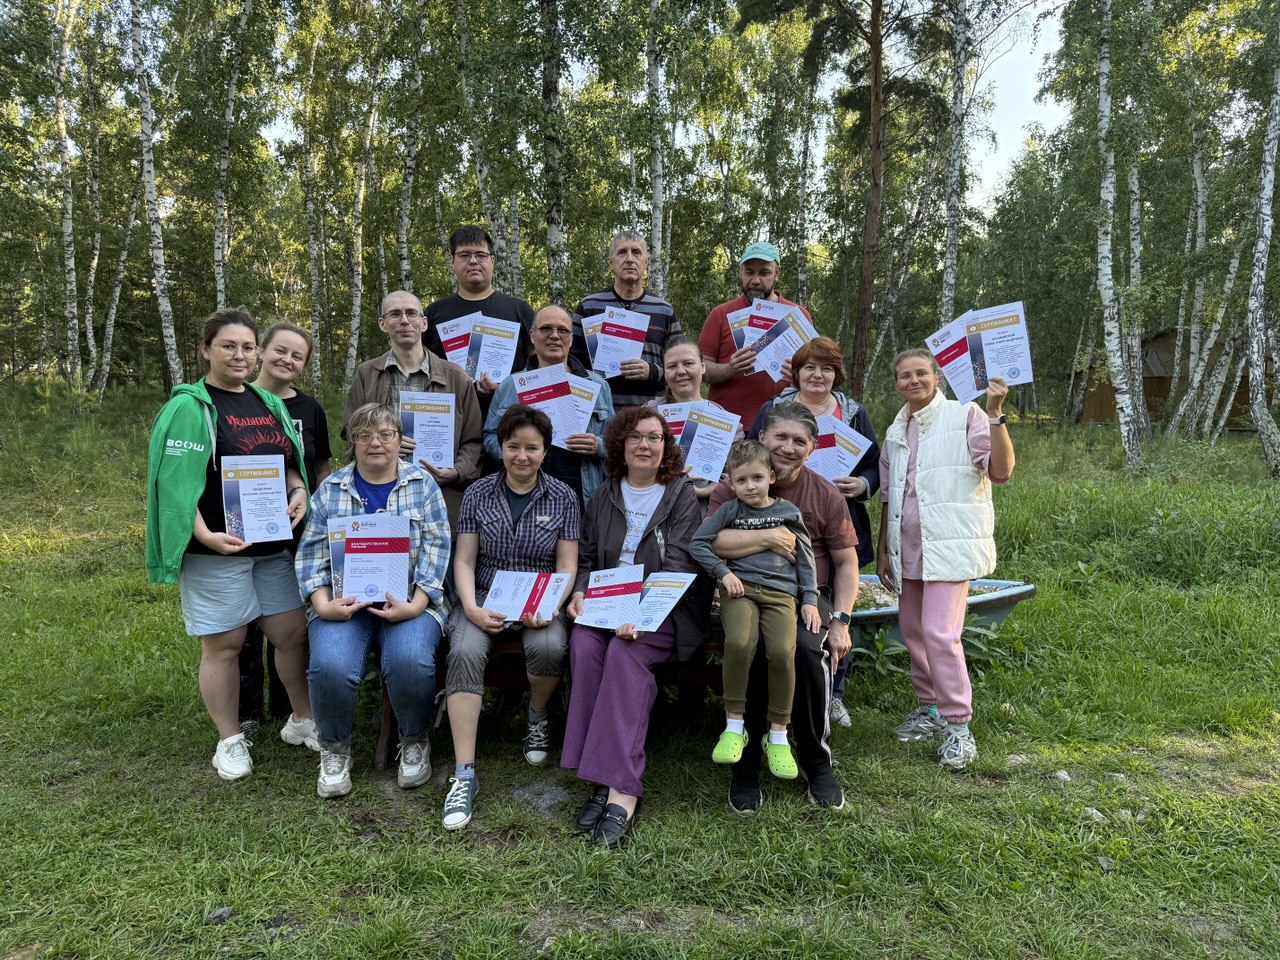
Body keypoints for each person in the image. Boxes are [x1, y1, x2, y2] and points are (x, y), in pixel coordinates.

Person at [145, 308, 317, 781]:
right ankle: (229, 740)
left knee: (291, 633)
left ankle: (302, 720)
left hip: (270, 546)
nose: (239, 355)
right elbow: (174, 483)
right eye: (228, 346)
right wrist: (204, 535)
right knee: (225, 644)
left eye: (247, 347)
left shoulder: (267, 402)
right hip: (216, 549)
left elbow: (288, 461)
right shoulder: (189, 407)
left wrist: (298, 491)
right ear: (206, 349)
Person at [705, 402, 858, 812]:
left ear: (812, 449)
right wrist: (769, 537)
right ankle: (745, 764)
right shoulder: (733, 486)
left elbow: (846, 563)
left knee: (807, 649)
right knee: (751, 646)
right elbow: (711, 542)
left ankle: (815, 761)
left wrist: (841, 621)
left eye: (799, 441)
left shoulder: (824, 494)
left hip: (807, 594)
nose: (788, 447)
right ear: (762, 438)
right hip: (744, 589)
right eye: (780, 437)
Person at [561, 406, 703, 847]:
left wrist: (641, 614)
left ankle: (621, 790)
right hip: (606, 604)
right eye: (636, 437)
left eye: (655, 437)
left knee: (625, 654)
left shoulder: (680, 494)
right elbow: (586, 558)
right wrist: (580, 592)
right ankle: (599, 776)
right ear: (620, 445)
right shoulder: (604, 494)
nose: (645, 445)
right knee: (584, 646)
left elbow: (679, 565)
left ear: (666, 446)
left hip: (663, 608)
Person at [294, 403, 452, 798]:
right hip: (343, 605)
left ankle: (414, 739)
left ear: (400, 439)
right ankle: (334, 749)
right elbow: (310, 556)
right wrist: (323, 605)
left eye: (385, 434)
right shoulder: (331, 490)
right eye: (364, 435)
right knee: (330, 664)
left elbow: (438, 549)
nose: (375, 443)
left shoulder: (423, 485)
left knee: (409, 660)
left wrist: (417, 604)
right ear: (353, 442)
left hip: (410, 600)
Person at [441, 404, 580, 830]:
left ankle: (537, 716)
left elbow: (567, 565)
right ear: (501, 447)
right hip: (484, 594)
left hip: (540, 597)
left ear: (545, 450)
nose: (522, 456)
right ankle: (464, 772)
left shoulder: (563, 496)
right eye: (513, 446)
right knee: (464, 651)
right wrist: (470, 607)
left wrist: (551, 605)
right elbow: (464, 560)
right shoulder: (478, 493)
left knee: (551, 646)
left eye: (532, 448)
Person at [876, 350, 1015, 770]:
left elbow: (1001, 470)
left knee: (939, 633)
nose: (913, 381)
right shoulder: (896, 430)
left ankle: (959, 727)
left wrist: (996, 414)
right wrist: (884, 550)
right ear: (896, 384)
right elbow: (889, 496)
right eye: (905, 376)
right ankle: (930, 710)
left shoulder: (965, 414)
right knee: (913, 631)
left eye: (921, 373)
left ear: (936, 376)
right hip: (909, 547)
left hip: (949, 545)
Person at [748, 336, 881, 728]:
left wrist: (863, 484)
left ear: (837, 374)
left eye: (826, 368)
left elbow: (874, 464)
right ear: (797, 372)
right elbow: (749, 454)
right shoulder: (774, 409)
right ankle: (778, 695)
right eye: (809, 367)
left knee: (836, 603)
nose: (817, 375)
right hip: (779, 518)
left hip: (837, 519)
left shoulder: (853, 413)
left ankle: (833, 693)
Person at [690, 440, 819, 781]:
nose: (750, 486)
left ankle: (778, 735)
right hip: (740, 590)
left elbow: (806, 558)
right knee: (740, 643)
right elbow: (698, 543)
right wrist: (723, 573)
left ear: (771, 477)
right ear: (730, 482)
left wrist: (809, 598)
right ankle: (734, 726)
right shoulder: (729, 511)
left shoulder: (788, 512)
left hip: (781, 593)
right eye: (742, 480)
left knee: (782, 652)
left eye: (757, 478)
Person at [239, 322, 333, 730]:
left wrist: (323, 514)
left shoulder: (310, 409)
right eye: (280, 350)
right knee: (244, 622)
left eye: (298, 356)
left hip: (298, 529)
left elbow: (321, 467)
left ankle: (289, 707)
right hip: (242, 524)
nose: (287, 360)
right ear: (262, 350)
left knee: (289, 619)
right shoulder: (235, 402)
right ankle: (246, 711)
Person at [346, 289, 482, 526]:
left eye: (411, 313)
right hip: (379, 492)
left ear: (424, 322)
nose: (404, 321)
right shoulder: (366, 374)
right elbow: (350, 431)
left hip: (439, 495)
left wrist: (457, 470)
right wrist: (382, 448)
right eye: (395, 314)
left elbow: (473, 439)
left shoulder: (456, 377)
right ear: (382, 324)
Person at [484, 305, 613, 507]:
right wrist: (514, 452)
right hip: (524, 492)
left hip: (582, 494)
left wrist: (598, 446)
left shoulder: (598, 386)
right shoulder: (509, 386)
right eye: (546, 329)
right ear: (532, 335)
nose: (554, 336)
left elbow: (615, 441)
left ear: (571, 338)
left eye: (562, 330)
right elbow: (489, 436)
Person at [699, 241, 813, 428]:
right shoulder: (720, 314)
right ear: (741, 273)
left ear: (777, 273)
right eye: (749, 272)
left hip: (780, 427)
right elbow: (701, 370)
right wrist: (729, 368)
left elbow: (815, 371)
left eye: (764, 273)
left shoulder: (799, 316)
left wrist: (799, 375)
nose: (755, 280)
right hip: (725, 426)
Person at [569, 230, 681, 410]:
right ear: (610, 262)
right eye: (622, 252)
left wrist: (652, 371)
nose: (629, 259)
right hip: (601, 413)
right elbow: (572, 364)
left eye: (636, 252)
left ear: (646, 261)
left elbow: (680, 367)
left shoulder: (664, 311)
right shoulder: (589, 307)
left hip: (651, 415)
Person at [424, 225, 535, 404]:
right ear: (452, 261)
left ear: (492, 260)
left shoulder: (519, 310)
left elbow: (539, 366)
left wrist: (502, 392)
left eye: (481, 255)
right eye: (464, 255)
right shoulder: (433, 313)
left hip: (508, 414)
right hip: (451, 414)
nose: (473, 261)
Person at [645, 335, 743, 508]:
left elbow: (737, 474)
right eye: (672, 366)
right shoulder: (647, 414)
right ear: (665, 372)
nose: (681, 371)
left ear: (703, 366)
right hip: (654, 505)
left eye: (688, 363)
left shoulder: (726, 421)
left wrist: (705, 491)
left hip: (706, 510)